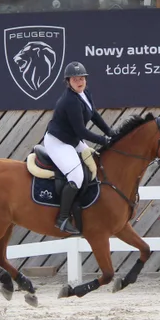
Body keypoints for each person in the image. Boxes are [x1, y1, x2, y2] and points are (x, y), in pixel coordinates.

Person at [43, 61, 113, 234]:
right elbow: (81, 131)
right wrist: (103, 140)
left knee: (95, 161)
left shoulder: (85, 93)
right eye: (75, 79)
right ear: (68, 82)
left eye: (82, 78)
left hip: (71, 139)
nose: (80, 81)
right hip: (58, 142)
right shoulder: (70, 101)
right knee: (76, 175)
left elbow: (94, 115)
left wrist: (111, 132)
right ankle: (62, 218)